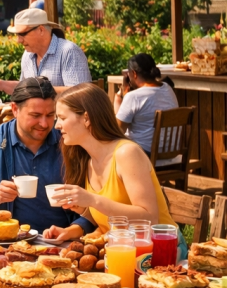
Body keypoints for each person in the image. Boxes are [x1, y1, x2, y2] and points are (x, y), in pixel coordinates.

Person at [0, 76, 96, 242]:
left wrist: (74, 229)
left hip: (62, 243)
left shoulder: (69, 142)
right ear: (15, 109)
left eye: (50, 115)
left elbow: (95, 204)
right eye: (35, 115)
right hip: (4, 243)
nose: (45, 124)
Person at [51, 84, 178, 238]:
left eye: (62, 118)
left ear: (86, 118)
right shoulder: (89, 160)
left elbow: (150, 218)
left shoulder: (127, 153)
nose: (56, 125)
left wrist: (93, 200)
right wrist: (76, 221)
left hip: (161, 249)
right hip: (122, 249)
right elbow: (111, 216)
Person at [0, 8, 92, 95]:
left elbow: (81, 94)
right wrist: (4, 85)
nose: (18, 40)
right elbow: (27, 89)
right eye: (16, 35)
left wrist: (38, 90)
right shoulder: (27, 55)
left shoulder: (68, 51)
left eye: (22, 34)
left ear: (41, 30)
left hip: (62, 120)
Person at [114, 53, 179, 157]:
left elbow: (116, 131)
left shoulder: (133, 97)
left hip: (144, 154)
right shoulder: (168, 88)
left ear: (134, 74)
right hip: (170, 152)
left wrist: (122, 97)